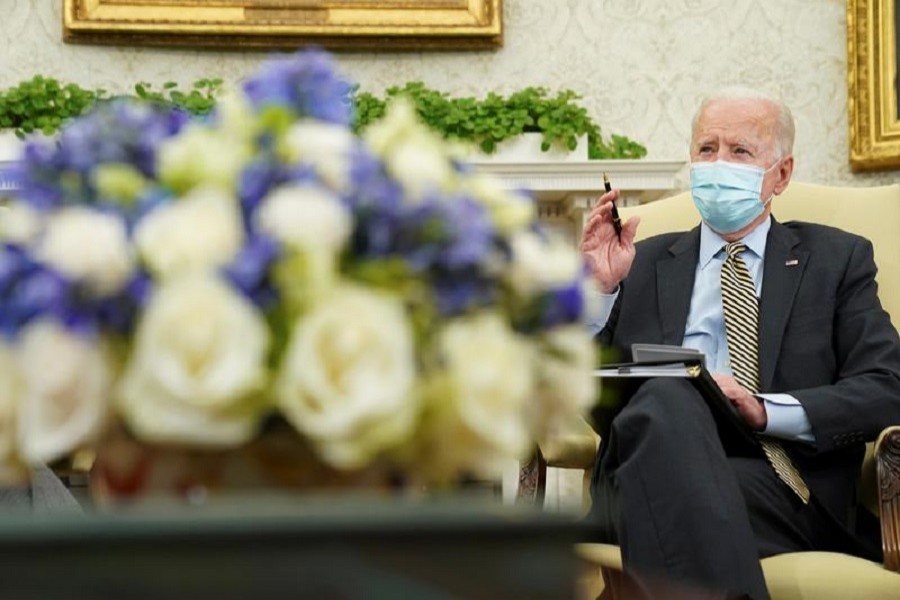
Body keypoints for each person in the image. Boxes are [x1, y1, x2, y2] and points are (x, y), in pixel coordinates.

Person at [580, 87, 900, 600]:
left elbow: (887, 387)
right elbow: (585, 396)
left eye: (740, 151)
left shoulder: (836, 260)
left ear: (782, 174)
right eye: (707, 149)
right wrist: (598, 295)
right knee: (669, 394)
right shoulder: (635, 263)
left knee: (666, 500)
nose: (718, 163)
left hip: (781, 485)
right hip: (645, 462)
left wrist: (764, 410)